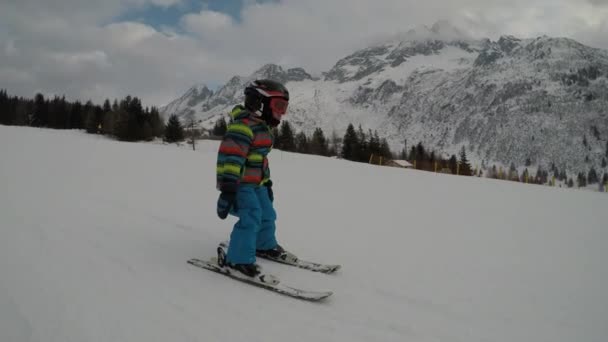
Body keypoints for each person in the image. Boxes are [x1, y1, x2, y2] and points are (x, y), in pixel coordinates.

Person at [215, 79, 289, 277]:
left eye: (284, 107)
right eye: (279, 106)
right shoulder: (242, 127)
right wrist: (229, 187)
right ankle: (237, 259)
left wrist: (268, 182)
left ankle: (263, 245)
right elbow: (231, 157)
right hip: (240, 184)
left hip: (258, 183)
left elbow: (260, 160)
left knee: (267, 213)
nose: (281, 112)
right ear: (259, 103)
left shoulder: (263, 128)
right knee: (251, 215)